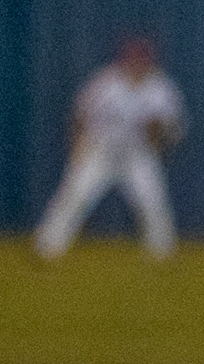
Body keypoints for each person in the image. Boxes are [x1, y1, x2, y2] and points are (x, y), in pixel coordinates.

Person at [34, 36, 187, 261]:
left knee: (152, 202)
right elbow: (80, 114)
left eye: (142, 58)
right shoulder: (106, 82)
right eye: (133, 57)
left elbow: (173, 130)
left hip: (137, 155)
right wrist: (78, 144)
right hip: (100, 151)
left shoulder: (160, 88)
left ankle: (161, 256)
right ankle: (47, 248)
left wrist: (158, 134)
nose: (137, 62)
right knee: (74, 196)